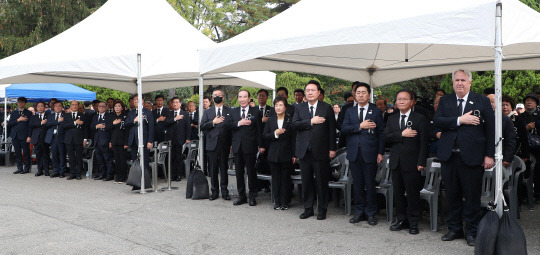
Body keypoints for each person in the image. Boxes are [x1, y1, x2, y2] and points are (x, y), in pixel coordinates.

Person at [434, 69, 495, 246]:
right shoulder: (445, 101)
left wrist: (489, 155)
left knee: (472, 196)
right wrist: (460, 120)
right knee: (452, 195)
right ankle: (454, 229)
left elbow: (490, 129)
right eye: (456, 80)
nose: (459, 83)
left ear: (470, 82)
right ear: (452, 83)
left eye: (463, 80)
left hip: (473, 157)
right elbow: (438, 121)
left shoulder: (481, 101)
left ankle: (472, 232)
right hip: (449, 156)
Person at [384, 90, 428, 235]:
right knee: (398, 193)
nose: (401, 101)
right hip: (396, 162)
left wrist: (421, 161)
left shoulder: (420, 118)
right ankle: (401, 219)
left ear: (412, 101)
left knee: (412, 193)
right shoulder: (391, 118)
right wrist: (401, 134)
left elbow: (424, 142)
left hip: (413, 162)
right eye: (398, 99)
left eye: (404, 99)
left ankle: (414, 222)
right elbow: (386, 137)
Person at [292, 80, 337, 220]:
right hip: (304, 151)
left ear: (319, 92)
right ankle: (308, 208)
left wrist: (332, 149)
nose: (310, 92)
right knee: (306, 181)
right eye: (308, 90)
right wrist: (310, 121)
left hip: (321, 150)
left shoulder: (326, 107)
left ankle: (322, 209)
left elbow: (331, 130)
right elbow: (294, 125)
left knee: (321, 181)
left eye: (313, 90)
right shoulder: (299, 108)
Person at [341, 83, 384, 225]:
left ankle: (371, 212)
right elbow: (344, 129)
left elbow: (381, 134)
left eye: (363, 92)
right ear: (355, 94)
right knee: (357, 184)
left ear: (369, 94)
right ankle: (359, 212)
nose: (360, 95)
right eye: (358, 92)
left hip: (370, 152)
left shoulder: (376, 111)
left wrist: (380, 152)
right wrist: (360, 126)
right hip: (354, 152)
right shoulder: (349, 111)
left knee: (370, 184)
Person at [226, 90, 264, 206]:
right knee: (239, 172)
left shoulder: (256, 112)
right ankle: (241, 196)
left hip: (250, 146)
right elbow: (228, 125)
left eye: (244, 97)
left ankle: (252, 196)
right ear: (238, 98)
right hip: (237, 146)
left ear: (249, 98)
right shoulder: (233, 112)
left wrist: (261, 145)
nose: (242, 99)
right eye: (240, 97)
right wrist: (239, 123)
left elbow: (259, 130)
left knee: (251, 172)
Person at [263, 96, 296, 210]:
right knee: (275, 179)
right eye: (276, 105)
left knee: (285, 179)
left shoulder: (290, 120)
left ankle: (284, 202)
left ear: (285, 107)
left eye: (280, 105)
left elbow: (294, 138)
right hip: (273, 154)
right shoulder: (270, 120)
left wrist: (294, 154)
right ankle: (276, 201)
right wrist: (275, 134)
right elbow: (265, 136)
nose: (278, 107)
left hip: (286, 154)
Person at [200, 90, 232, 200]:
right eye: (215, 96)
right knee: (212, 169)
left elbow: (232, 128)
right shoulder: (208, 112)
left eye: (219, 95)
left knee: (224, 168)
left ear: (223, 98)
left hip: (224, 144)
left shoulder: (229, 111)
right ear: (212, 99)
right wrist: (213, 122)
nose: (217, 97)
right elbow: (202, 126)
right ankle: (214, 191)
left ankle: (224, 191)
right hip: (211, 144)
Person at [125, 95, 155, 171]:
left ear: (142, 101)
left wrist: (150, 141)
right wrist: (134, 121)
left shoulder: (148, 112)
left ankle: (145, 179)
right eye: (134, 100)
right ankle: (136, 179)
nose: (136, 101)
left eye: (137, 100)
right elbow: (126, 124)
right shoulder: (131, 112)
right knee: (135, 160)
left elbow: (151, 127)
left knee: (144, 160)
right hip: (133, 139)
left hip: (144, 140)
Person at [486, 94, 516, 168]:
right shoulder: (479, 118)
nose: (491, 104)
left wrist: (507, 158)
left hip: (500, 158)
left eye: (493, 101)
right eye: (488, 101)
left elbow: (511, 140)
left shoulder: (505, 120)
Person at [165, 97, 191, 181]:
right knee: (171, 157)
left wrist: (188, 138)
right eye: (174, 102)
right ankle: (172, 175)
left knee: (179, 157)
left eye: (177, 102)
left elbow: (188, 127)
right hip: (171, 139)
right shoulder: (169, 113)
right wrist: (175, 119)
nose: (175, 104)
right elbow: (166, 123)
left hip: (181, 138)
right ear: (172, 104)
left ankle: (179, 174)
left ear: (180, 104)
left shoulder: (185, 114)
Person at [62, 100, 87, 180]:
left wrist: (85, 139)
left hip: (79, 138)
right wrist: (75, 123)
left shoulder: (82, 115)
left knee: (79, 157)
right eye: (73, 105)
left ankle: (78, 173)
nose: (74, 106)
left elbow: (85, 129)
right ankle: (72, 173)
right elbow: (64, 126)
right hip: (69, 139)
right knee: (71, 157)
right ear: (70, 106)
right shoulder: (66, 115)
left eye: (76, 105)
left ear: (78, 106)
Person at [9, 97, 32, 174]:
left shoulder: (28, 113)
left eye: (22, 102)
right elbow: (10, 124)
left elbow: (30, 126)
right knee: (17, 152)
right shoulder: (13, 113)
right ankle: (19, 167)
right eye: (19, 102)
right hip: (15, 135)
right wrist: (18, 120)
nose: (20, 104)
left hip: (24, 135)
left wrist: (29, 136)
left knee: (26, 152)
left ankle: (27, 168)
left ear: (25, 103)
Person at [91, 102, 114, 181]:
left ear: (106, 107)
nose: (101, 108)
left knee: (107, 158)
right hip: (97, 140)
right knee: (99, 158)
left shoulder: (110, 116)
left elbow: (112, 129)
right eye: (99, 106)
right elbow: (91, 127)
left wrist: (111, 141)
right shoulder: (95, 116)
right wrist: (96, 126)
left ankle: (109, 175)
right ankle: (102, 174)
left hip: (106, 140)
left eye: (103, 106)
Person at [256, 89, 273, 192]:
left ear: (267, 97)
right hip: (257, 141)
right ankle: (258, 185)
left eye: (263, 96)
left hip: (268, 141)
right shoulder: (253, 110)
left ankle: (267, 185)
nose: (261, 97)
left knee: (267, 163)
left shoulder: (271, 110)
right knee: (257, 164)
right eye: (259, 96)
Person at [337, 81, 362, 148]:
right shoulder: (345, 108)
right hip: (346, 143)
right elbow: (339, 124)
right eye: (355, 89)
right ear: (352, 92)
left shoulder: (372, 108)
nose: (357, 91)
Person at [29, 101, 50, 176]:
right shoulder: (33, 117)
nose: (40, 108)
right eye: (39, 106)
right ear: (36, 108)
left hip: (45, 138)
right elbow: (31, 125)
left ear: (44, 107)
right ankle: (39, 170)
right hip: (36, 138)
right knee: (38, 155)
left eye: (42, 106)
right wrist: (41, 123)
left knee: (45, 154)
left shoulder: (48, 116)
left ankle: (47, 170)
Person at [45, 101, 66, 178]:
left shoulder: (65, 115)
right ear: (53, 107)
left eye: (59, 106)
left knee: (62, 154)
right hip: (53, 138)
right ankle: (56, 171)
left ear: (62, 107)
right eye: (56, 106)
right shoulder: (51, 115)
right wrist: (57, 121)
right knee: (54, 155)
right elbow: (47, 124)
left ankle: (62, 171)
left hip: (62, 137)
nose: (57, 107)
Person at [110, 100, 128, 184]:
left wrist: (126, 142)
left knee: (122, 159)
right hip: (114, 141)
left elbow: (127, 130)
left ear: (122, 107)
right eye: (115, 106)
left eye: (119, 106)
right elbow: (108, 128)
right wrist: (113, 123)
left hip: (122, 141)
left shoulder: (125, 116)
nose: (117, 108)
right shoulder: (111, 116)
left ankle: (123, 177)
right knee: (116, 160)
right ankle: (118, 176)